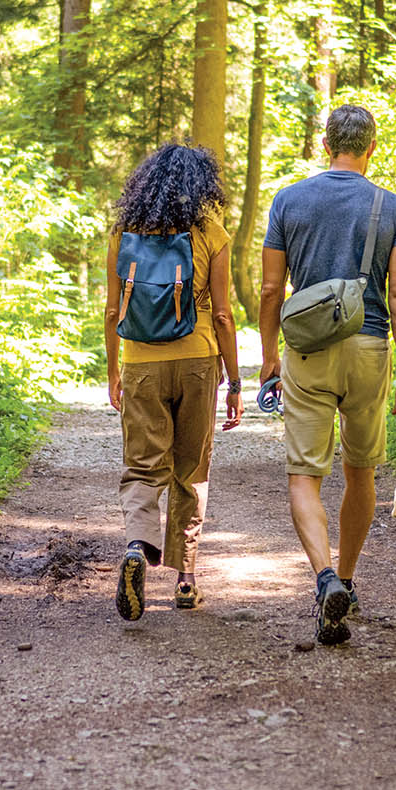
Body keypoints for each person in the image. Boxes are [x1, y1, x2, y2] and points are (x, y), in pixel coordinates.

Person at [260, 104, 396, 646]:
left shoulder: (288, 201)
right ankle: (347, 581)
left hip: (307, 351)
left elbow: (268, 290)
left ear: (324, 144)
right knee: (360, 471)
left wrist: (267, 356)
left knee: (304, 474)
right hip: (370, 346)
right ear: (372, 147)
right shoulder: (392, 207)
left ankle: (323, 577)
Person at [104, 143, 243, 620]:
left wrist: (113, 370)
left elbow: (111, 310)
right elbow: (223, 315)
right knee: (190, 470)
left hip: (141, 360)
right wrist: (236, 382)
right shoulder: (210, 230)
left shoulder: (125, 230)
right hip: (199, 359)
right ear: (201, 184)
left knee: (143, 468)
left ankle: (137, 551)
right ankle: (186, 579)